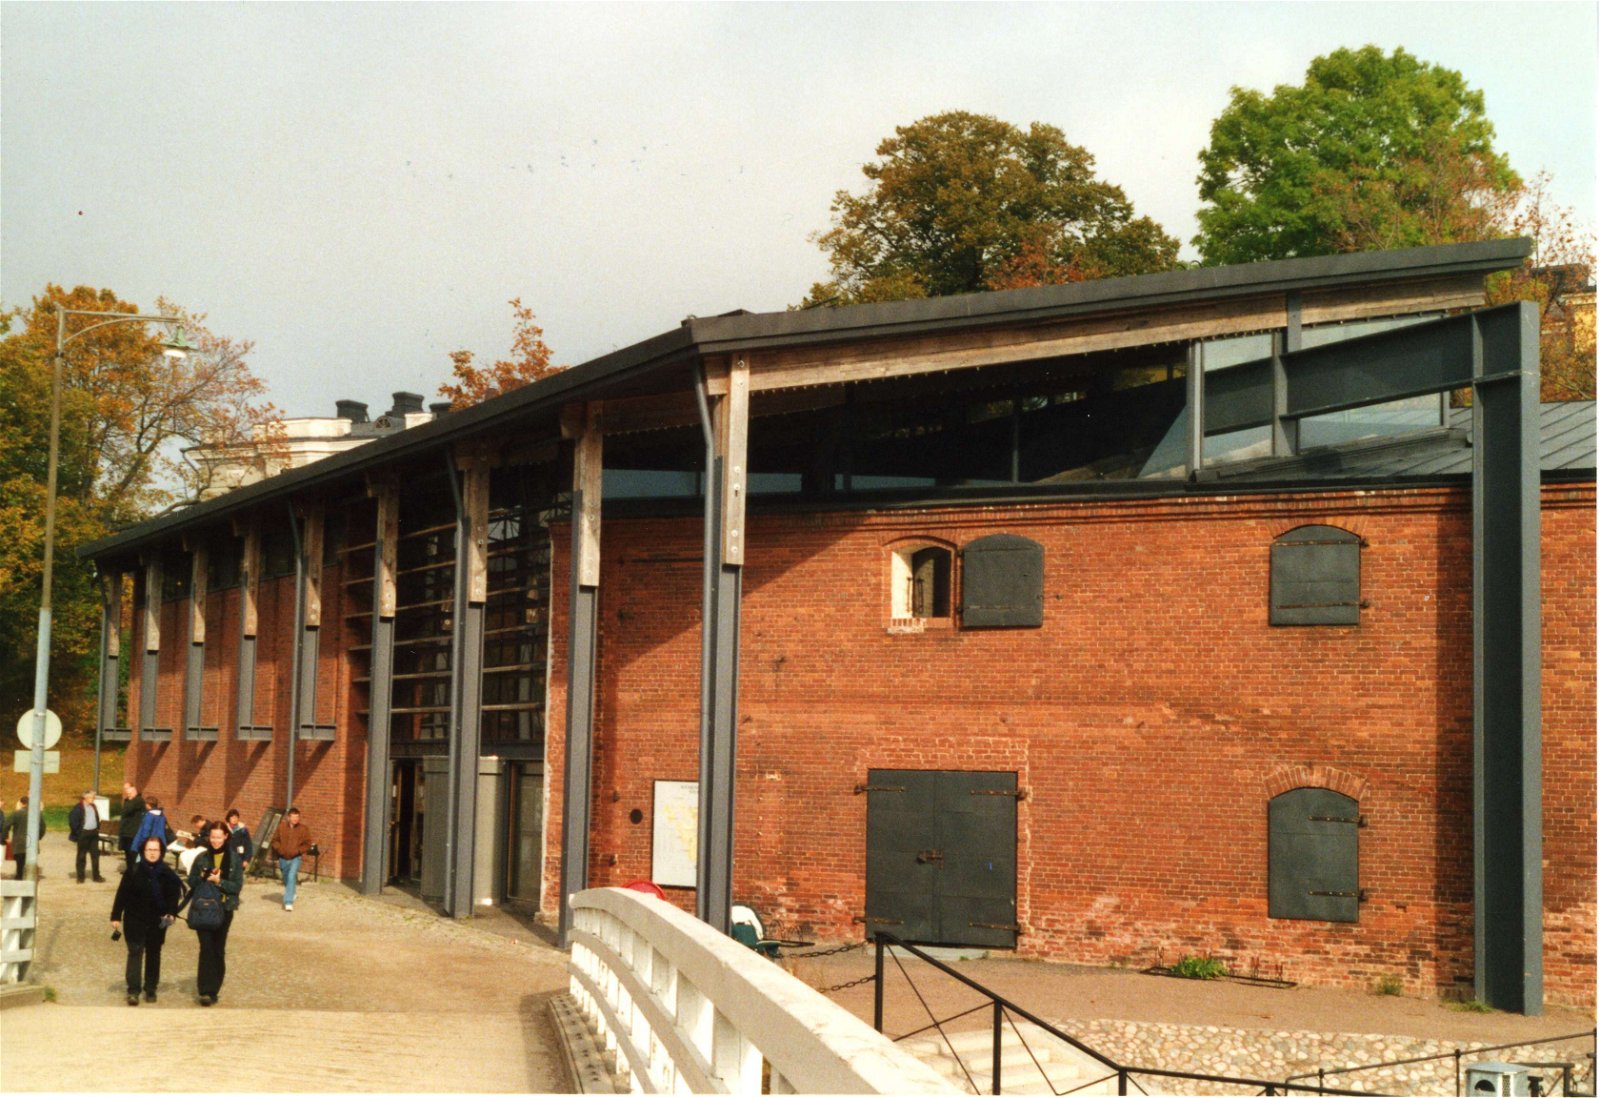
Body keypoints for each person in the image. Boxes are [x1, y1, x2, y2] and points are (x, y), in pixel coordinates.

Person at [110, 834, 182, 1005]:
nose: (152, 853)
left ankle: (151, 989)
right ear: (143, 851)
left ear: (161, 852)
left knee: (153, 955)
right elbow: (122, 894)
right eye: (149, 849)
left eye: (155, 850)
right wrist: (116, 915)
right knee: (135, 953)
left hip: (158, 921)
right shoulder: (133, 870)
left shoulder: (167, 873)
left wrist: (171, 913)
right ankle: (133, 991)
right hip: (135, 919)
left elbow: (173, 896)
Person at [189, 821, 243, 1006]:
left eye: (219, 837)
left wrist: (220, 882)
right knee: (206, 948)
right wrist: (203, 877)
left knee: (218, 949)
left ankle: (214, 989)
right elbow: (191, 881)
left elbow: (237, 886)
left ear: (226, 836)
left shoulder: (234, 859)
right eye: (212, 837)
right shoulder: (202, 857)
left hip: (224, 909)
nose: (215, 841)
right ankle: (204, 990)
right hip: (203, 909)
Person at [270, 806, 313, 912]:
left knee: (291, 876)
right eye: (293, 817)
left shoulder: (303, 829)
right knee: (286, 878)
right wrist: (279, 849)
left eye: (297, 817)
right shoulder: (281, 827)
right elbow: (274, 840)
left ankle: (288, 902)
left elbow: (308, 843)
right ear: (288, 817)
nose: (295, 819)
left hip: (295, 857)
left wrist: (298, 851)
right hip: (283, 857)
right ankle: (292, 892)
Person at [68, 789, 106, 883]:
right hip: (83, 834)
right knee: (81, 856)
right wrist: (78, 833)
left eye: (94, 797)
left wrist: (97, 828)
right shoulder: (78, 808)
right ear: (86, 797)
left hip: (93, 833)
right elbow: (73, 821)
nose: (93, 799)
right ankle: (80, 877)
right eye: (92, 797)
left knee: (95, 855)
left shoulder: (93, 806)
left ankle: (96, 876)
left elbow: (96, 818)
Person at [10, 797, 43, 879]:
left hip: (19, 841)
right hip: (32, 840)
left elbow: (6, 825)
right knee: (30, 859)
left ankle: (19, 876)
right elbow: (42, 827)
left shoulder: (16, 814)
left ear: (21, 803)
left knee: (20, 861)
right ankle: (29, 876)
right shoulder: (36, 813)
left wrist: (4, 837)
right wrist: (38, 837)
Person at [118, 783, 146, 872]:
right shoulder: (128, 800)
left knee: (133, 854)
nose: (127, 793)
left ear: (134, 790)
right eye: (125, 790)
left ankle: (134, 871)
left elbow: (128, 810)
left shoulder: (138, 800)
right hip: (126, 832)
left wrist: (130, 799)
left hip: (133, 832)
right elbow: (124, 812)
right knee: (127, 854)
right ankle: (130, 870)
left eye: (128, 790)